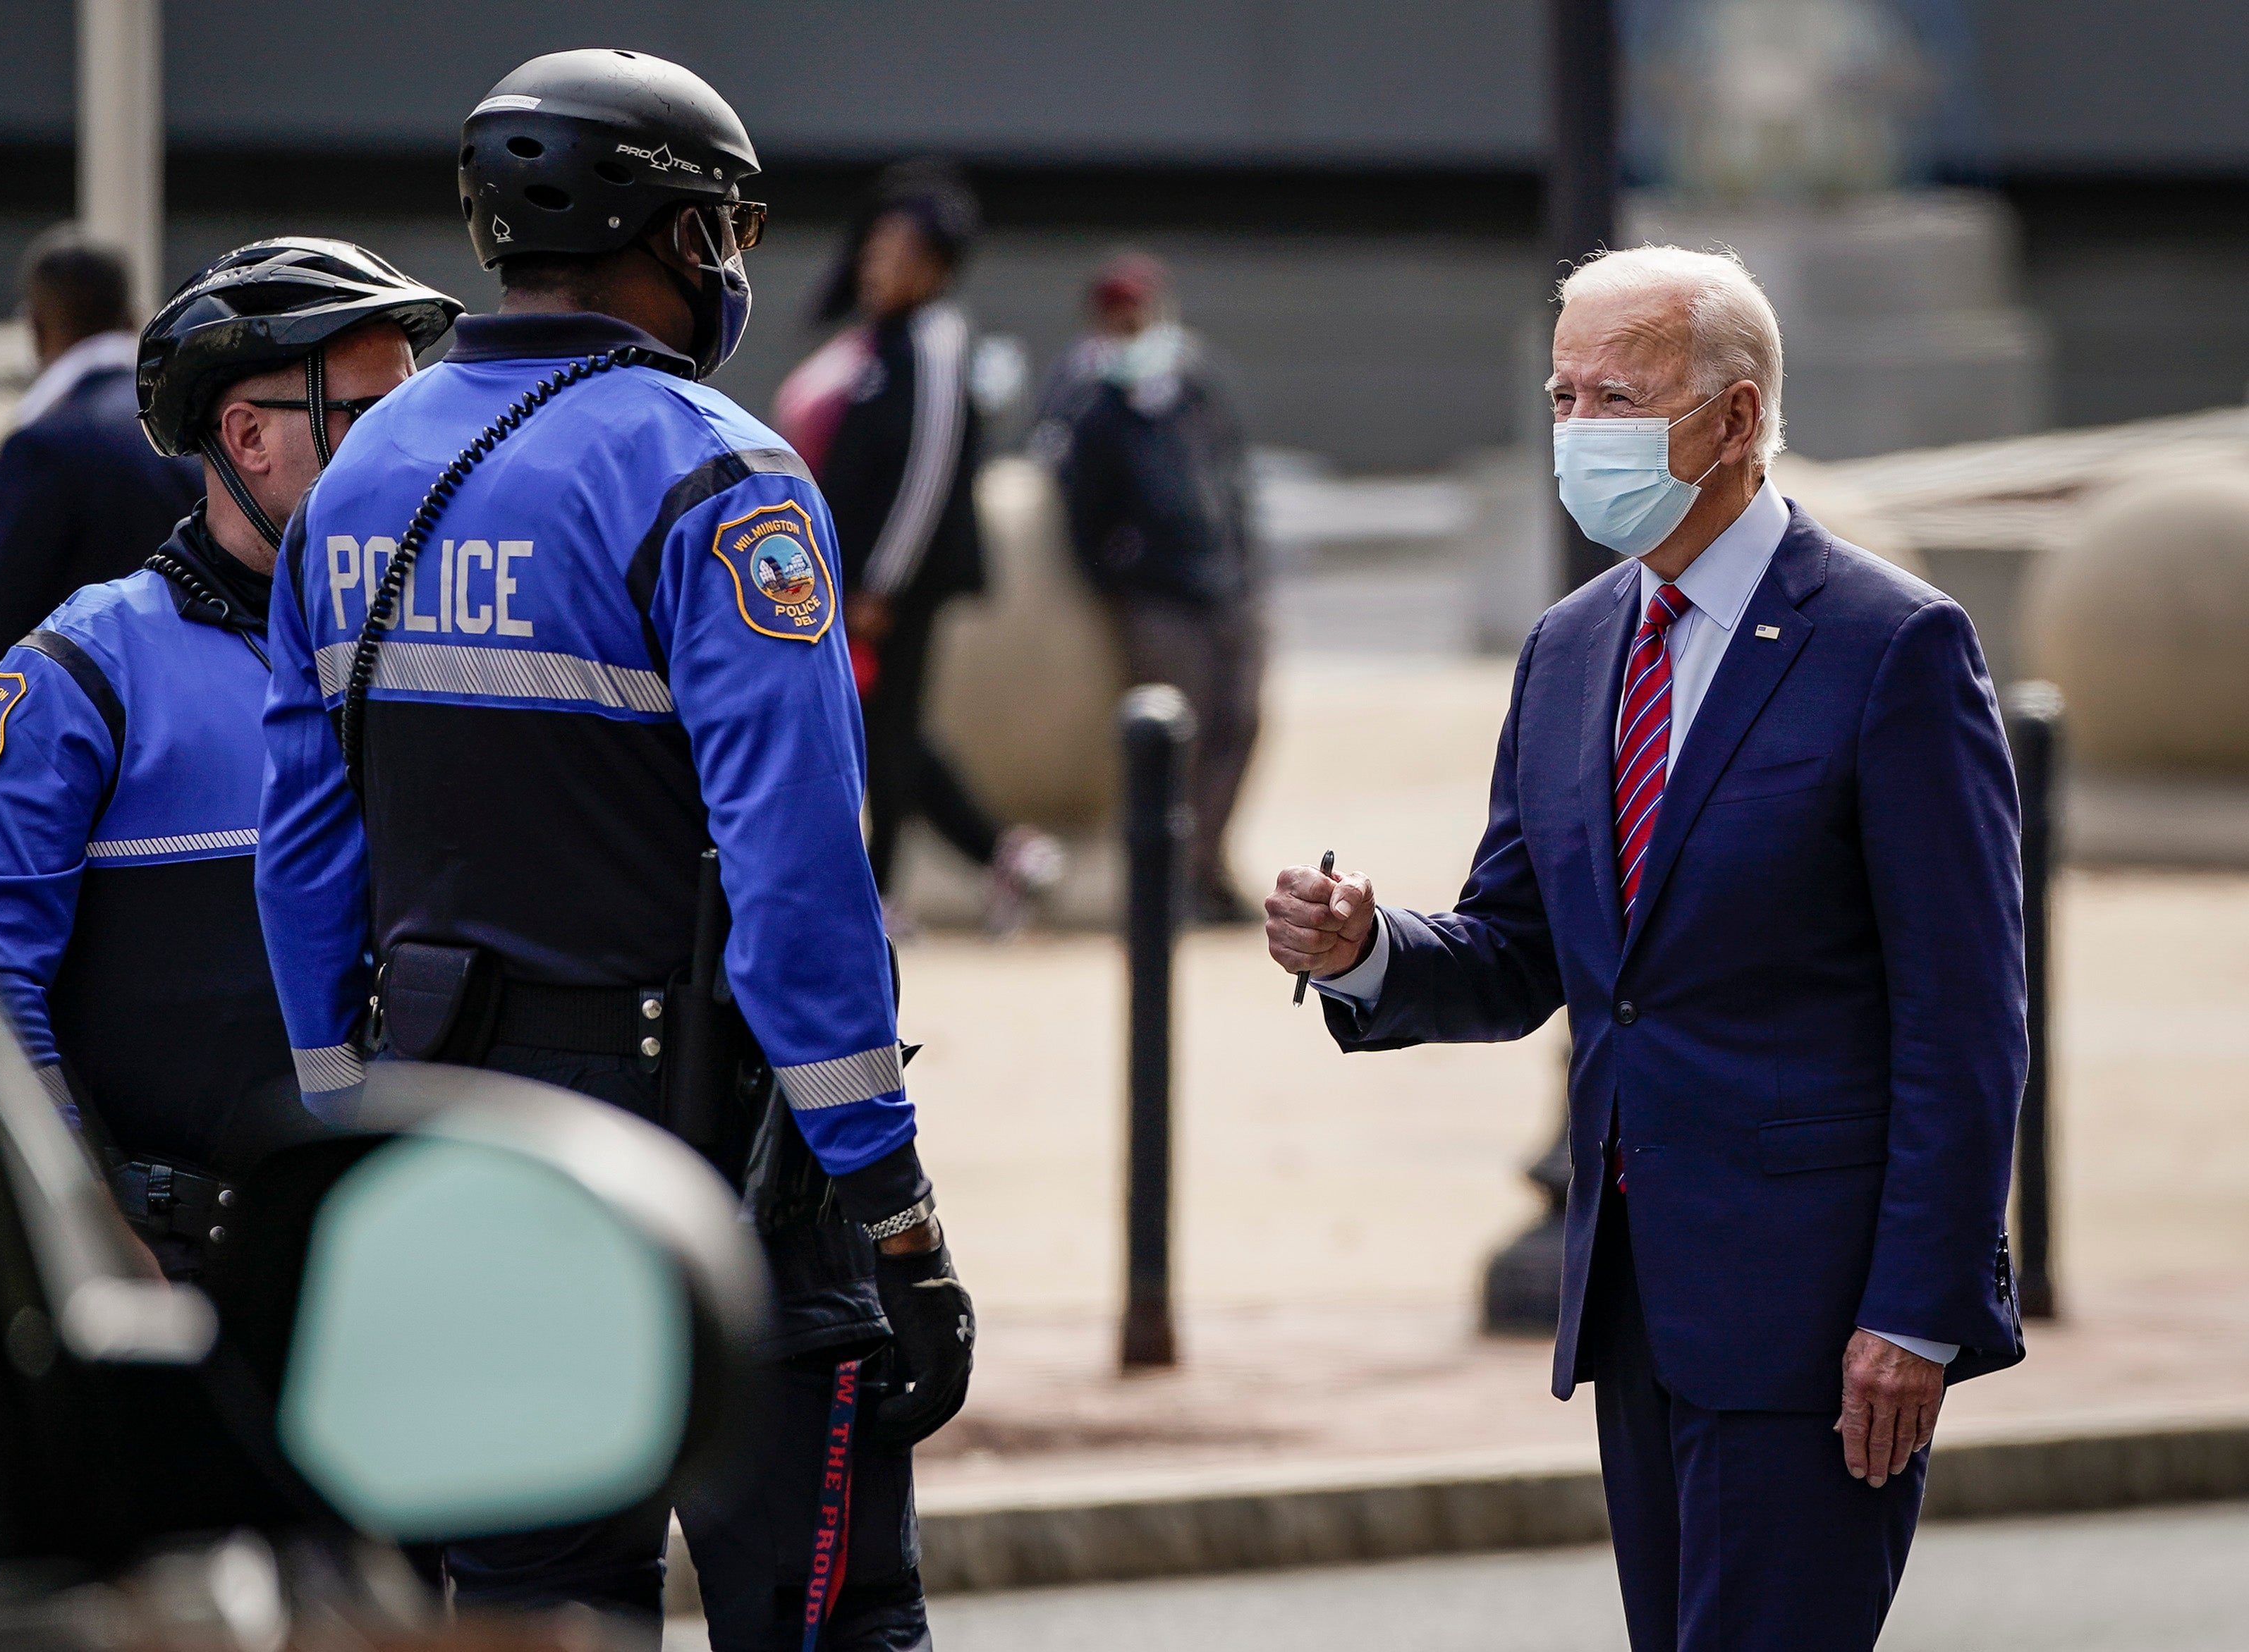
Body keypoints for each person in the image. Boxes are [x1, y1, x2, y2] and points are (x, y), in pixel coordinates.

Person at [255, 51, 974, 1651]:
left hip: (457, 1150)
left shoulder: (353, 476)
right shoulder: (715, 473)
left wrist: (340, 1123)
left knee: (529, 1611)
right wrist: (897, 1205)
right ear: (678, 233)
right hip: (717, 1161)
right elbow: (799, 883)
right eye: (723, 228)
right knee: (829, 1616)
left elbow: (304, 852)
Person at [1264, 245, 2025, 1651]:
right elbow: (1513, 951)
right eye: (1560, 395)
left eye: (1612, 397)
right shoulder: (1570, 648)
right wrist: (1367, 946)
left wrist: (1916, 1314)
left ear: (1733, 420)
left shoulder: (1891, 645)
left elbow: (1964, 1019)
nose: (1574, 431)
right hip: (1632, 1302)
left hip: (1817, 1321)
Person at [0, 238, 459, 1278]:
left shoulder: (454, 648)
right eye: (370, 418)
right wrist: (91, 1234)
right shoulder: (81, 672)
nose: (412, 452)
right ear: (246, 436)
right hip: (176, 1265)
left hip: (400, 1250)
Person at [779, 160, 1062, 936]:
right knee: (880, 723)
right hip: (853, 580)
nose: (880, 267)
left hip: (895, 584)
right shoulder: (884, 342)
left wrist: (882, 582)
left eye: (899, 254)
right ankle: (1004, 854)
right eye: (874, 251)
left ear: (936, 266)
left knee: (887, 729)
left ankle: (885, 890)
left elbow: (927, 473)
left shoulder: (936, 339)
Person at [1032, 252, 1264, 923]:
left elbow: (1230, 473)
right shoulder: (1093, 405)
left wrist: (1243, 564)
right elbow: (1079, 509)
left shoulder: (1196, 383)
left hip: (1224, 585)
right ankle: (1169, 881)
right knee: (1173, 736)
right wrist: (1117, 576)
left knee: (1239, 720)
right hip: (1158, 597)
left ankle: (1207, 863)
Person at [0, 226, 200, 695]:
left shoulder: (45, 447)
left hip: (92, 735)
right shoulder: (190, 425)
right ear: (133, 317)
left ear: (35, 327)